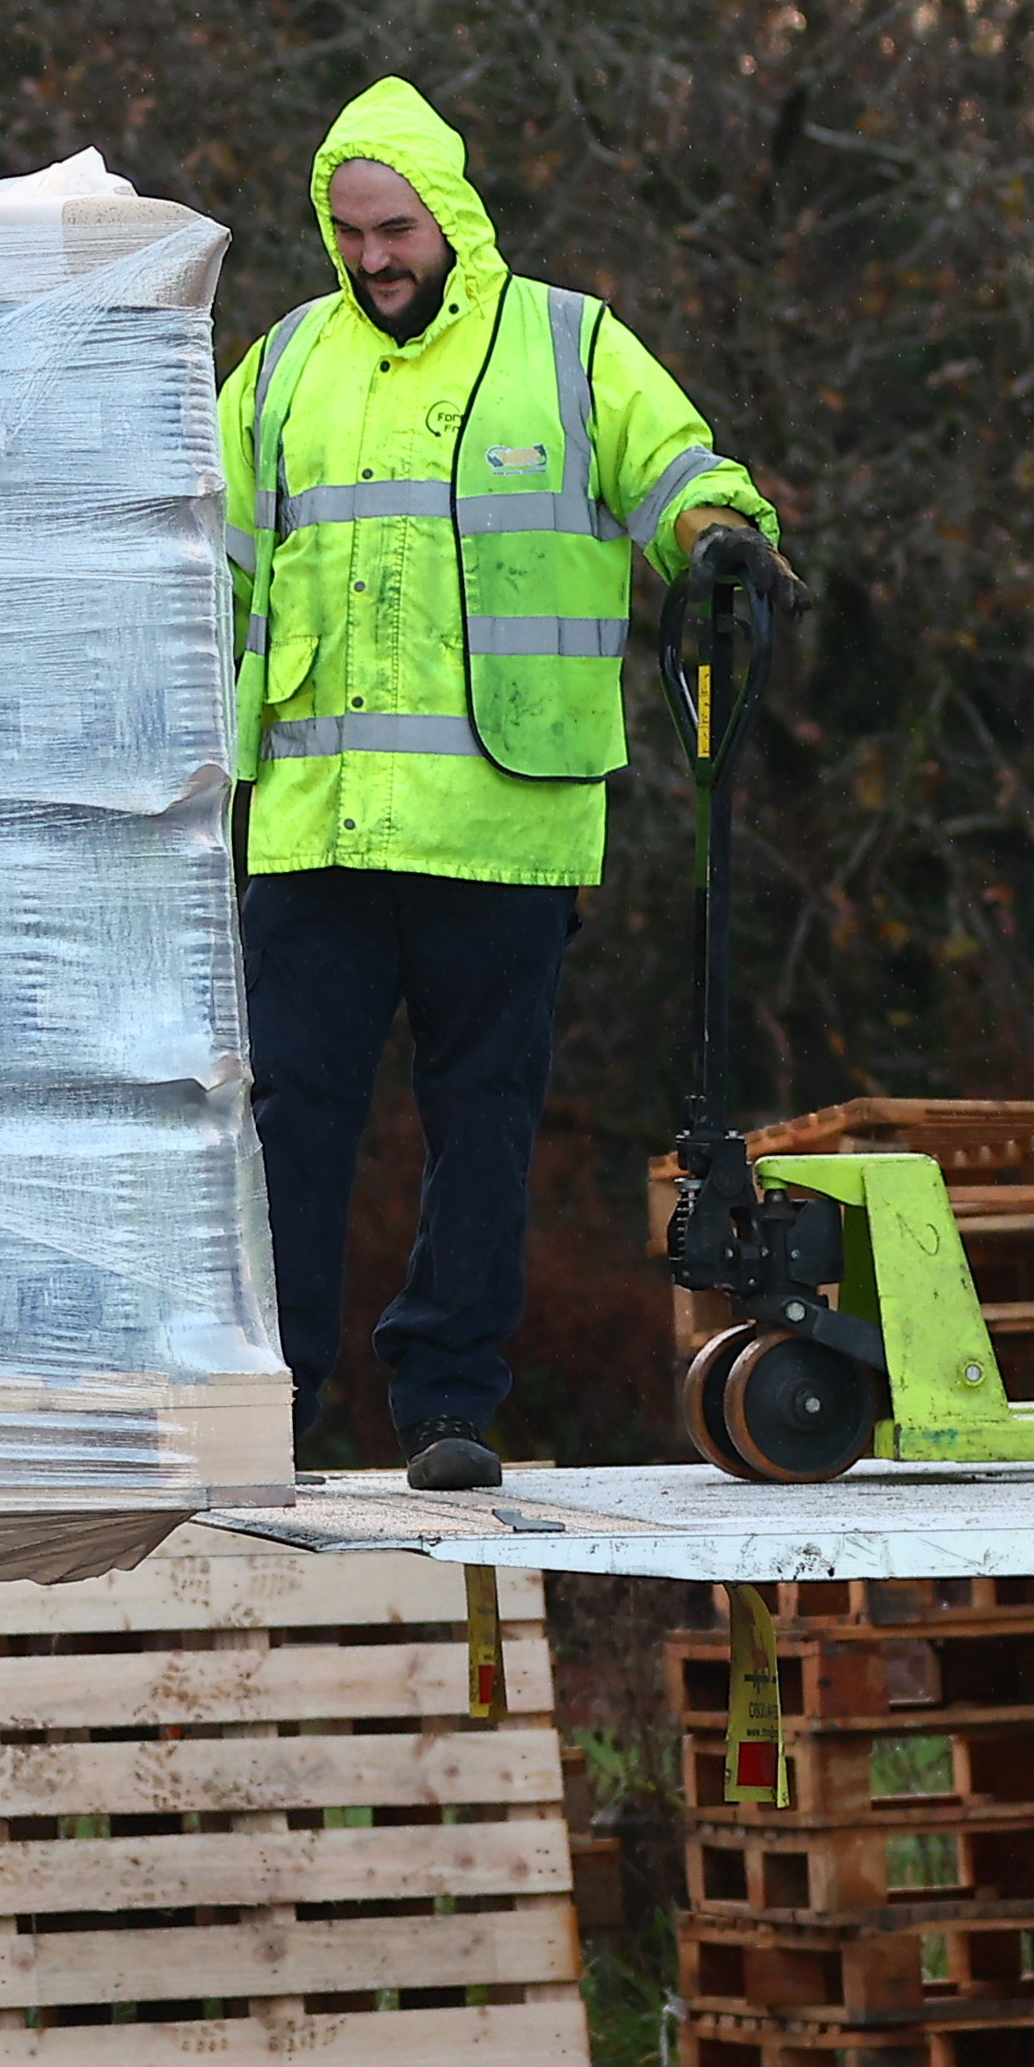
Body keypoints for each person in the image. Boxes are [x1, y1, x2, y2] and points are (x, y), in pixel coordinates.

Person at [220, 78, 798, 1492]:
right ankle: (267, 1399)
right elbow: (203, 551)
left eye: (394, 228)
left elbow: (674, 470)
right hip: (317, 829)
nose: (372, 258)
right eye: (348, 232)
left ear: (451, 216)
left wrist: (720, 536)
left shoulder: (566, 343)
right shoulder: (287, 363)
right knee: (290, 1121)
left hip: (506, 826)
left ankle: (448, 1406)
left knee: (484, 1125)